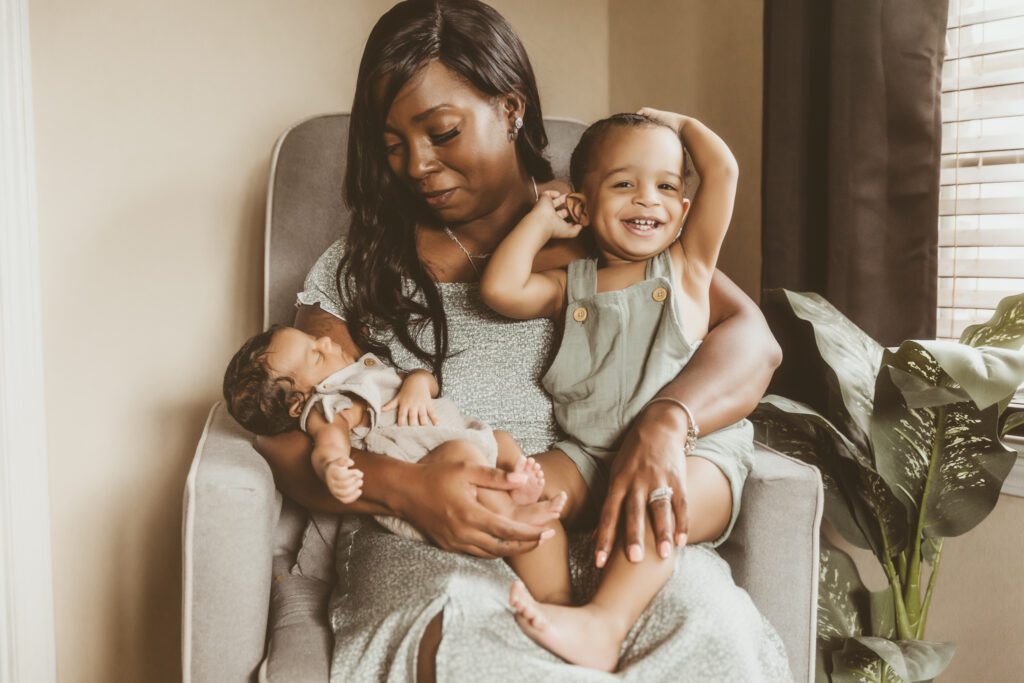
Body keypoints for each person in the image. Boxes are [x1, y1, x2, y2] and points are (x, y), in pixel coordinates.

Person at [256, 0, 790, 680]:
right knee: (472, 642)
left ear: (510, 110)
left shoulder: (603, 225)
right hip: (431, 541)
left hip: (601, 520)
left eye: (442, 132)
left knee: (708, 623)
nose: (417, 164)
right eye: (393, 145)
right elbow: (283, 427)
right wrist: (409, 489)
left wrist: (665, 420)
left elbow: (752, 338)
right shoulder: (357, 264)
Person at [479, 110, 757, 671]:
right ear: (582, 203)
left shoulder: (687, 268)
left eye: (666, 187)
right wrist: (542, 219)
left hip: (692, 455)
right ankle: (558, 604)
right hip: (587, 455)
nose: (647, 199)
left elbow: (721, 169)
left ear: (683, 210)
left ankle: (605, 623)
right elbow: (500, 290)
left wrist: (671, 120)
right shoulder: (571, 284)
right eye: (624, 184)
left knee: (659, 505)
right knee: (511, 489)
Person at [221, 323, 560, 543]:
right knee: (465, 457)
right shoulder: (326, 404)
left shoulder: (361, 371)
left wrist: (416, 384)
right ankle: (513, 510)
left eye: (313, 338)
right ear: (297, 404)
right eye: (315, 354)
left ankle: (517, 482)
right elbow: (330, 441)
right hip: (431, 458)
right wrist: (332, 466)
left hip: (457, 433)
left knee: (501, 439)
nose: (325, 340)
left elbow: (427, 380)